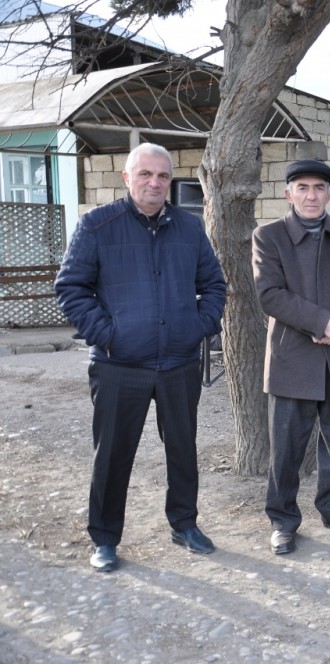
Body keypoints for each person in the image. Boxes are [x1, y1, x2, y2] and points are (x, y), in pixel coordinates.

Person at [55, 142, 226, 573]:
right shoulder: (98, 226)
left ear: (170, 181)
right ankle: (106, 538)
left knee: (183, 450)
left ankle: (184, 523)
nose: (154, 182)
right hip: (118, 366)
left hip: (178, 363)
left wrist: (197, 327)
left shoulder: (189, 228)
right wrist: (108, 335)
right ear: (126, 178)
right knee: (112, 454)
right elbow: (71, 288)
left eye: (163, 176)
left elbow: (215, 286)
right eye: (145, 174)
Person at [252, 159, 330, 555]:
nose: (311, 195)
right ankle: (283, 521)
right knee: (287, 447)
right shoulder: (268, 237)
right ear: (288, 194)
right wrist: (322, 322)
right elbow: (270, 295)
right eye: (301, 187)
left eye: (319, 187)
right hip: (294, 357)